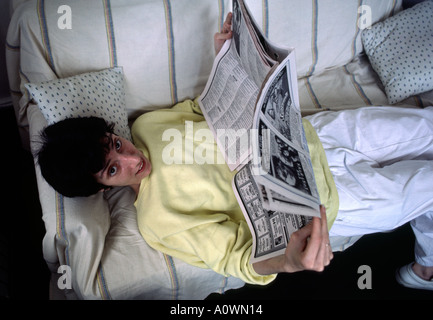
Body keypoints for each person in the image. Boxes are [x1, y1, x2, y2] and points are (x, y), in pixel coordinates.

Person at [37, 13, 433, 290]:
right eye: (112, 169)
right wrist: (287, 262)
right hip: (327, 202)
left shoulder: (146, 126)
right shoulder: (158, 222)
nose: (130, 158)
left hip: (315, 135)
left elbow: (212, 107)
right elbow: (235, 258)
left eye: (115, 144)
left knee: (425, 126)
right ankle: (426, 264)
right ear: (104, 189)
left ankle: (426, 260)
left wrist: (225, 57)